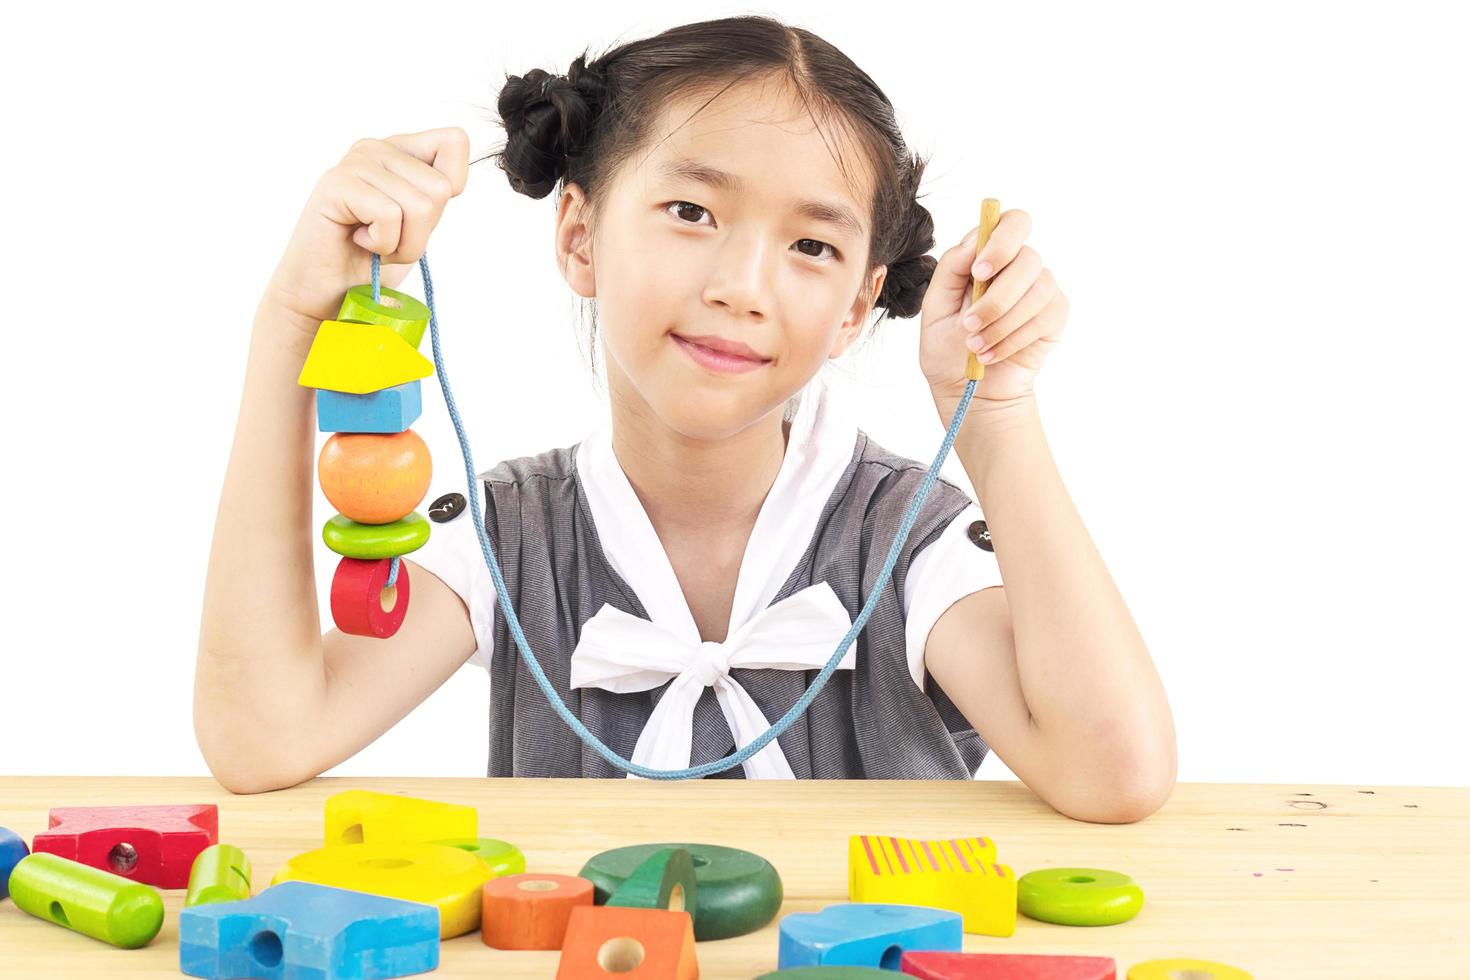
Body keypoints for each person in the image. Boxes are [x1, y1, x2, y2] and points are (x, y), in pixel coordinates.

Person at [196, 14, 1175, 822]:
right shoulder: (511, 538)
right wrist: (289, 324)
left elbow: (1116, 771)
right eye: (693, 213)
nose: (742, 286)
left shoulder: (905, 540)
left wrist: (993, 410)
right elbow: (264, 735)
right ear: (579, 235)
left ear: (855, 308)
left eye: (810, 245)